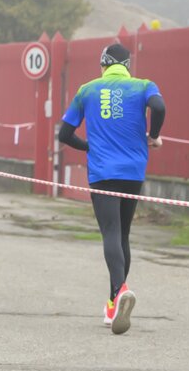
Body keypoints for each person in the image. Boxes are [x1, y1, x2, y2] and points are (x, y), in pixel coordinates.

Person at [57, 42, 166, 334]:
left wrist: (89, 146)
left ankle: (120, 291)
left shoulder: (87, 90)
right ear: (127, 66)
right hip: (133, 172)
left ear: (103, 65)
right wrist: (154, 135)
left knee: (111, 233)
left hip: (103, 172)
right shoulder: (144, 85)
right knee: (123, 235)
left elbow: (64, 134)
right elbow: (159, 106)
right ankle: (112, 303)